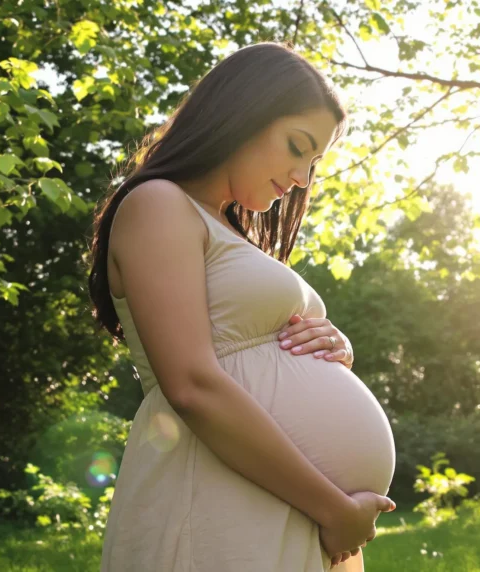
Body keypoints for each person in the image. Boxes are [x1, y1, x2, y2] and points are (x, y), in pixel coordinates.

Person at [86, 42, 397, 571]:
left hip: (278, 499)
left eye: (314, 162)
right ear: (242, 114)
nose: (302, 177)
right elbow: (191, 384)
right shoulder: (159, 204)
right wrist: (334, 507)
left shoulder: (224, 229)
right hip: (218, 495)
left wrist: (332, 345)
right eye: (297, 147)